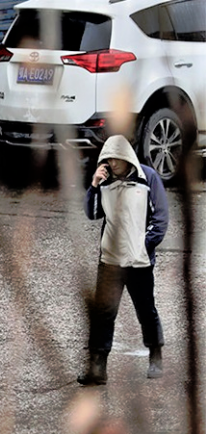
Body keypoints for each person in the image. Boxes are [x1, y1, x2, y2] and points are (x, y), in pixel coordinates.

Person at [78, 134, 169, 385]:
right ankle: (98, 368)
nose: (111, 163)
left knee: (146, 311)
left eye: (115, 159)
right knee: (103, 314)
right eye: (107, 159)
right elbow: (92, 213)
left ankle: (156, 356)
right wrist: (94, 185)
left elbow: (161, 219)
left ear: (127, 157)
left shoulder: (148, 178)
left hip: (139, 262)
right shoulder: (105, 182)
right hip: (110, 261)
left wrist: (143, 246)